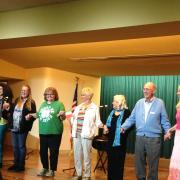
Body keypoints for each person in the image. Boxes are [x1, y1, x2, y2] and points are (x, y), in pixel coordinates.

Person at [121, 82, 171, 180]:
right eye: (144, 89)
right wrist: (123, 127)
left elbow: (164, 120)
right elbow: (132, 118)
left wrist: (167, 131)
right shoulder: (139, 102)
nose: (145, 91)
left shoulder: (160, 103)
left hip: (154, 138)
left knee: (153, 164)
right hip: (140, 137)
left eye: (147, 89)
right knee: (139, 163)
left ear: (154, 90)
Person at [27, 87, 66, 177]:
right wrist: (30, 115)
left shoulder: (59, 104)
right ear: (45, 96)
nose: (49, 96)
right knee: (42, 152)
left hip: (55, 132)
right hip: (43, 132)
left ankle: (52, 170)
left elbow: (62, 118)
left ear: (55, 95)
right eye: (47, 94)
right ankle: (45, 168)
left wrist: (62, 115)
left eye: (51, 94)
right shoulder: (43, 104)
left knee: (53, 152)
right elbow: (38, 114)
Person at [71, 87, 103, 180]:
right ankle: (79, 174)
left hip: (86, 135)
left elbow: (97, 121)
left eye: (83, 94)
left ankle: (87, 175)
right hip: (76, 134)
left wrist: (103, 126)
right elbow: (74, 119)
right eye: (81, 94)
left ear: (89, 96)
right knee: (77, 155)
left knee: (86, 156)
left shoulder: (94, 107)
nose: (81, 96)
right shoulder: (78, 107)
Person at [8, 84, 36, 172]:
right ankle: (15, 164)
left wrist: (29, 117)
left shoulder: (31, 102)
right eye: (22, 90)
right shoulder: (17, 100)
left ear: (29, 92)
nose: (23, 92)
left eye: (25, 90)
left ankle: (21, 165)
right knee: (15, 147)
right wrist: (8, 109)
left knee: (21, 146)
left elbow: (34, 115)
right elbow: (12, 111)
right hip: (14, 127)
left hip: (23, 128)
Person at [103, 95, 131, 180]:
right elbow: (108, 125)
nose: (112, 102)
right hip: (110, 142)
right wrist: (106, 129)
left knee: (118, 165)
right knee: (110, 165)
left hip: (120, 143)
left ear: (119, 102)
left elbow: (130, 126)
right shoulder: (112, 111)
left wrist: (124, 130)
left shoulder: (126, 112)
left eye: (114, 101)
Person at [167, 85, 180, 180]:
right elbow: (178, 124)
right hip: (178, 136)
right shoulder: (178, 106)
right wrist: (170, 130)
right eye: (178, 91)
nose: (177, 93)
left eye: (179, 91)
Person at [0, 83, 13, 168]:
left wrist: (7, 108)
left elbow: (8, 111)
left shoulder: (6, 98)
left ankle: (0, 162)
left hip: (2, 122)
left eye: (0, 89)